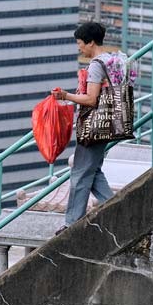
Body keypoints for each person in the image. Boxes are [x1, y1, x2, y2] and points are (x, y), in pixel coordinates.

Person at [50, 21, 115, 227]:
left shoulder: (97, 65)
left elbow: (91, 99)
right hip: (108, 122)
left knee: (79, 173)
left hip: (93, 125)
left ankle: (71, 223)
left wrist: (65, 95)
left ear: (91, 42)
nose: (79, 48)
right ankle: (117, 207)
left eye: (80, 43)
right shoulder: (112, 60)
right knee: (92, 171)